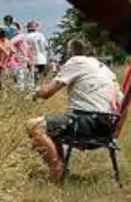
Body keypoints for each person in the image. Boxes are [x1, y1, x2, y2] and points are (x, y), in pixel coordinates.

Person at [26, 38, 122, 184]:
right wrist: (114, 132)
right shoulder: (105, 68)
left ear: (71, 52)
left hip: (89, 123)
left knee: (33, 125)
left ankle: (57, 170)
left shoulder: (76, 61)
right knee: (54, 124)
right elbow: (121, 102)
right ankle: (60, 167)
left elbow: (47, 93)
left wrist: (33, 93)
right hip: (106, 127)